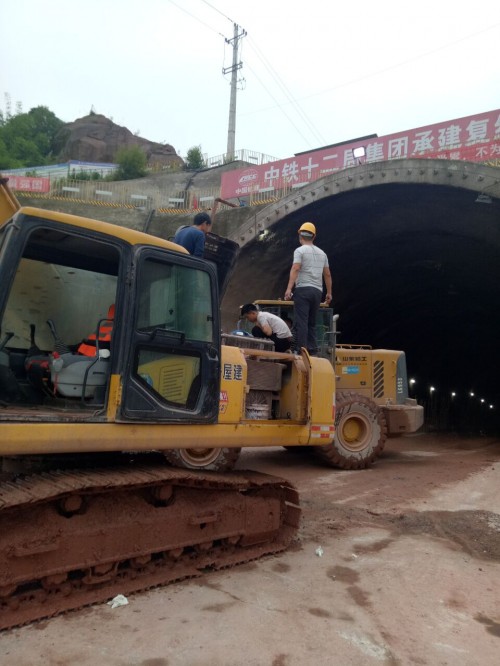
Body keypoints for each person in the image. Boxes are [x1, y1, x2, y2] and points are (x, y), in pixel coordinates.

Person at [284, 222, 332, 355]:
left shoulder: (299, 251)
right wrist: (329, 293)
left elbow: (296, 268)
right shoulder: (323, 254)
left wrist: (289, 289)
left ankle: (302, 349)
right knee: (311, 321)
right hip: (317, 291)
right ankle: (312, 349)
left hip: (303, 290)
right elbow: (327, 274)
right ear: (314, 236)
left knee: (301, 321)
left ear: (300, 236)